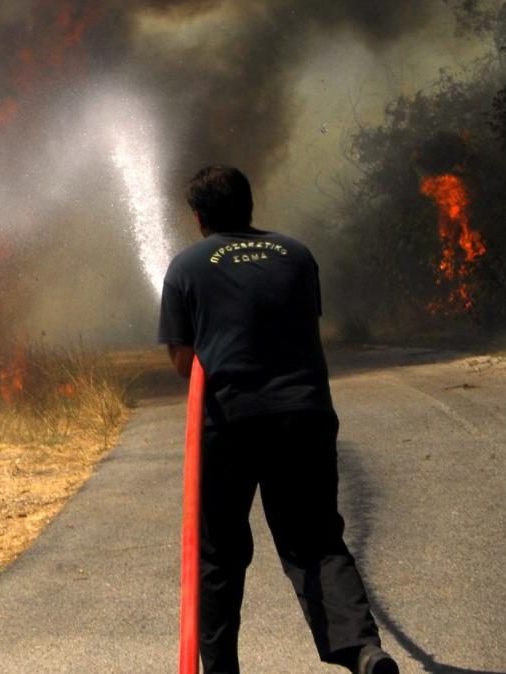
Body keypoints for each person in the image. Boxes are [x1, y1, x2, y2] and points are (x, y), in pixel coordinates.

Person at [158, 165, 399, 674]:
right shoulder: (297, 254)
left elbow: (186, 363)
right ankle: (362, 650)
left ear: (199, 217)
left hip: (228, 423)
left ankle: (221, 668)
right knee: (316, 541)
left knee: (219, 554)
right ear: (250, 203)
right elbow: (296, 324)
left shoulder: (186, 267)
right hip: (304, 415)